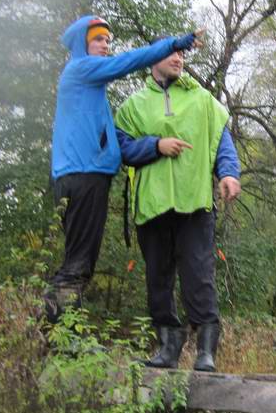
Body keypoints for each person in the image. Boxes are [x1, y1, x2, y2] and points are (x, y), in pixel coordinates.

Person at [46, 16, 203, 322]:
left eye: (108, 40)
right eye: (98, 40)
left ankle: (60, 332)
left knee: (79, 261)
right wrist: (174, 44)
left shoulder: (87, 81)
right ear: (83, 44)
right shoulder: (81, 69)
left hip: (83, 175)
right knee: (78, 265)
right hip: (83, 176)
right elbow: (130, 62)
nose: (105, 45)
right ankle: (59, 336)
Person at [115, 44, 240, 371]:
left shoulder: (201, 100)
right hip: (152, 204)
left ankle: (206, 351)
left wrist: (228, 173)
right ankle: (168, 348)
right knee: (158, 278)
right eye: (171, 53)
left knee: (198, 275)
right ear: (153, 59)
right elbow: (122, 149)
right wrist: (156, 145)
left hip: (194, 202)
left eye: (182, 55)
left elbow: (221, 140)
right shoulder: (133, 106)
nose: (178, 58)